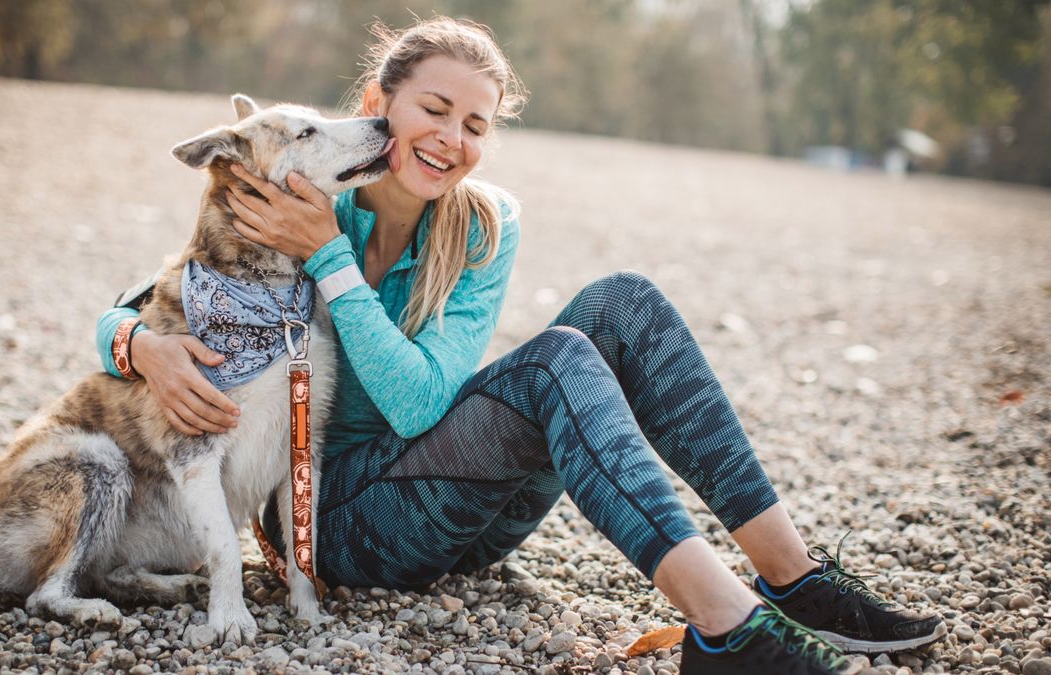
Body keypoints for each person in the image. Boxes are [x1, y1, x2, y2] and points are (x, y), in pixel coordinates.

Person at [96, 17, 944, 674]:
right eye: (433, 109)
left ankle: (793, 577)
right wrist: (142, 346)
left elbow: (422, 404)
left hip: (461, 519)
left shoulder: (484, 224)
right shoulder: (305, 195)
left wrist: (332, 267)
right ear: (378, 104)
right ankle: (726, 630)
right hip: (333, 526)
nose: (451, 139)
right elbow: (141, 304)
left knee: (623, 304)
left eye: (475, 123)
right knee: (558, 361)